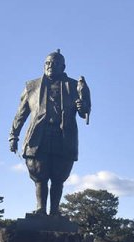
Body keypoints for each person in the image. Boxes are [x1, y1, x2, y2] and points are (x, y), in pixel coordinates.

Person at [9, 50, 91, 216]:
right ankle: (40, 209)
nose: (50, 66)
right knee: (39, 174)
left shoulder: (74, 86)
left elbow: (84, 112)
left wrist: (83, 107)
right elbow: (21, 114)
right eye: (47, 63)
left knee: (59, 176)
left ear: (63, 66)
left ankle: (54, 211)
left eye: (54, 63)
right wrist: (14, 135)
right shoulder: (32, 86)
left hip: (64, 136)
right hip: (39, 135)